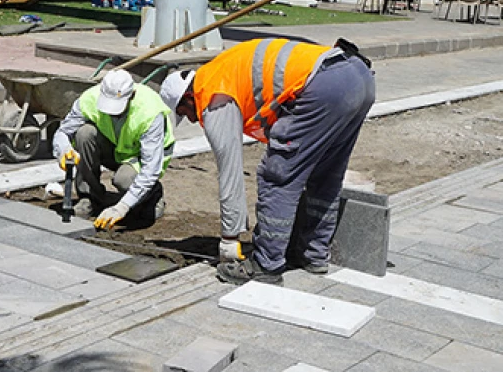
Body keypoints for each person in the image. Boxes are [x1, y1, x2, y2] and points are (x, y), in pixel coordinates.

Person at [158, 38, 375, 285]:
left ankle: (266, 264)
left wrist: (230, 237)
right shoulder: (223, 69)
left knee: (278, 176)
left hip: (324, 87)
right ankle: (313, 254)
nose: (192, 120)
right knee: (326, 174)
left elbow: (230, 171)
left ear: (187, 97)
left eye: (184, 113)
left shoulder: (212, 92)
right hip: (358, 76)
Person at [53, 69, 175, 230]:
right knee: (84, 133)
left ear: (131, 96)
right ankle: (90, 198)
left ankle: (153, 195)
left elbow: (150, 169)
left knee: (124, 180)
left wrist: (122, 207)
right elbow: (63, 132)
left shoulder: (150, 111)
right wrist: (64, 149)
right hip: (115, 147)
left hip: (139, 157)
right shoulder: (90, 99)